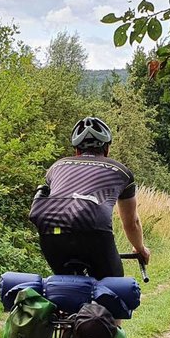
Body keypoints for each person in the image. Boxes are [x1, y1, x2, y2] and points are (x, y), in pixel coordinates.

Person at [29, 116, 151, 279]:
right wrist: (140, 248)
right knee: (112, 290)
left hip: (49, 228)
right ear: (106, 149)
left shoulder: (56, 167)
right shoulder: (120, 171)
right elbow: (131, 223)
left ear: (77, 150)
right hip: (94, 228)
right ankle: (101, 305)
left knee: (64, 288)